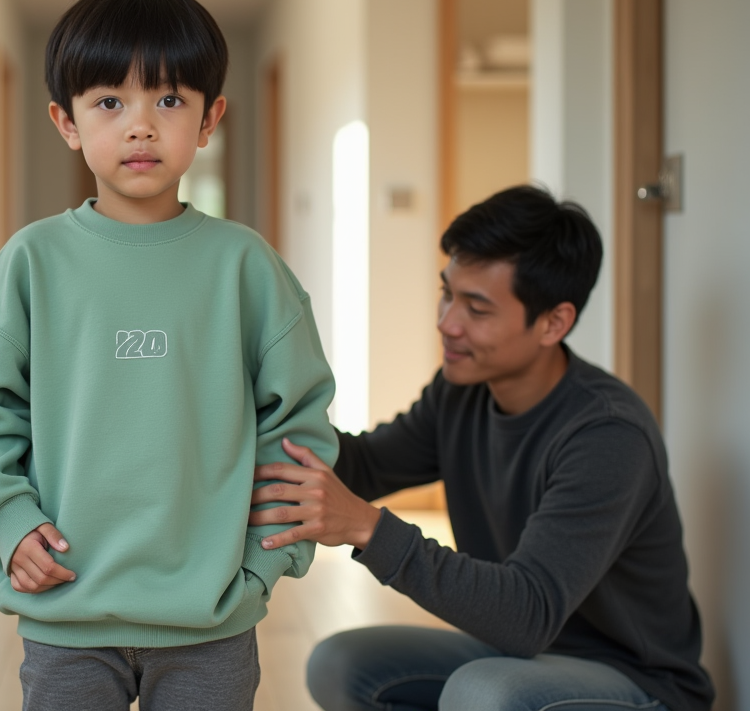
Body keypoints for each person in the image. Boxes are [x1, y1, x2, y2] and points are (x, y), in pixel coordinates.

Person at [0, 0, 338, 711]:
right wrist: (9, 522)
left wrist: (261, 565)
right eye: (110, 103)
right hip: (67, 611)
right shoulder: (28, 266)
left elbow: (297, 431)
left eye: (170, 101)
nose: (142, 126)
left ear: (211, 118)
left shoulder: (247, 269)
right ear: (66, 121)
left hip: (212, 617)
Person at [250, 186, 714, 711]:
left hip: (637, 685)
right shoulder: (461, 392)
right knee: (341, 664)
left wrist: (364, 526)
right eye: (448, 293)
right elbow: (367, 464)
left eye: (477, 308)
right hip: (525, 659)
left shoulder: (607, 436)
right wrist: (263, 418)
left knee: (483, 694)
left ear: (554, 322)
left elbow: (526, 615)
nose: (448, 323)